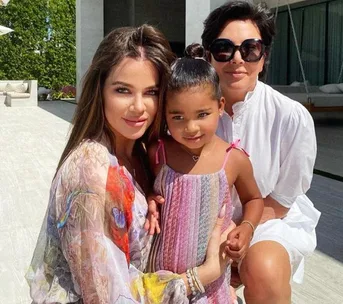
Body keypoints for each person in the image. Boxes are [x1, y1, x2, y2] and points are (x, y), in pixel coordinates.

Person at [25, 25, 234, 304]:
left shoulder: (140, 151)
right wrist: (202, 276)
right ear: (99, 90)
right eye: (123, 90)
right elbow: (110, 296)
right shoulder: (92, 174)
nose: (139, 107)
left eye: (151, 92)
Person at [201, 1, 321, 303]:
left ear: (263, 56)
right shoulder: (187, 114)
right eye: (224, 48)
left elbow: (282, 200)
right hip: (200, 221)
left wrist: (241, 234)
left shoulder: (291, 116)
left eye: (250, 49)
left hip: (268, 223)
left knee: (263, 268)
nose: (237, 59)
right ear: (208, 56)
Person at [145, 44, 264, 303]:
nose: (191, 127)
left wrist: (247, 227)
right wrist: (149, 196)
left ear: (220, 106)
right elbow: (141, 187)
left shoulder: (233, 159)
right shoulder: (158, 151)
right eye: (177, 117)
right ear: (164, 114)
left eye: (202, 114)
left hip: (209, 285)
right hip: (161, 277)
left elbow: (254, 199)